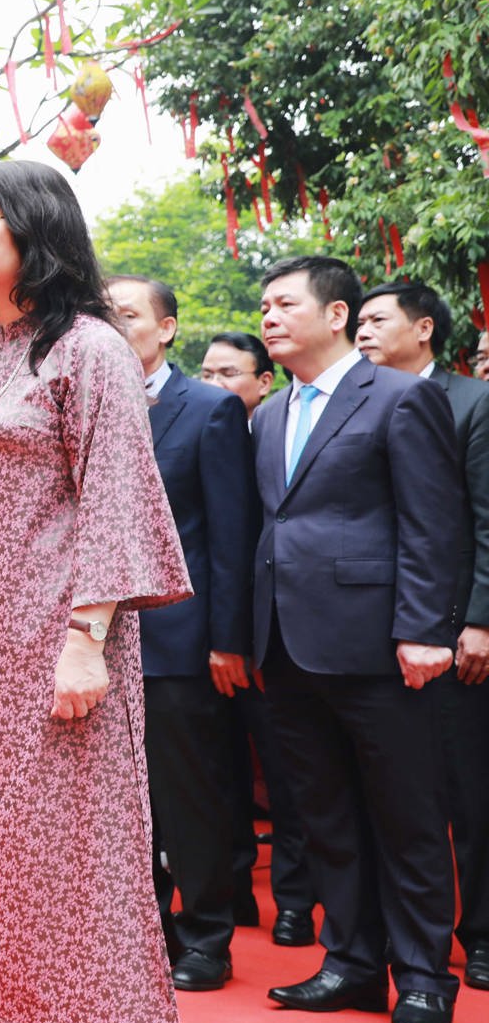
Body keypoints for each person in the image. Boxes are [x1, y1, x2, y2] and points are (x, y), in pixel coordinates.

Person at [0, 161, 192, 1023]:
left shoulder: (89, 350)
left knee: (74, 868)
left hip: (63, 638)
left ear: (37, 228)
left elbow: (114, 493)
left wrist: (86, 639)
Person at [253, 257, 463, 1023]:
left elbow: (432, 522)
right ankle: (351, 959)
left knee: (405, 813)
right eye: (263, 306)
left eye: (283, 304)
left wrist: (423, 630)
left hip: (379, 643)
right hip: (286, 642)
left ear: (335, 314)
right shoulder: (271, 413)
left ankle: (421, 976)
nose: (267, 317)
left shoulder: (403, 397)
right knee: (326, 811)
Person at [107, 275, 260, 993]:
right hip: (95, 640)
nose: (114, 322)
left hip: (177, 637)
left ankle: (206, 934)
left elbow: (230, 536)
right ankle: (145, 932)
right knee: (116, 802)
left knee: (187, 794)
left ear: (166, 327)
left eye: (128, 312)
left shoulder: (210, 411)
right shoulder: (83, 403)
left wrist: (226, 638)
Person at [355, 280, 489, 993]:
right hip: (382, 637)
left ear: (425, 328)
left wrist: (479, 618)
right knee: (404, 794)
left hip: (457, 632)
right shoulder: (358, 401)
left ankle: (483, 933)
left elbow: (479, 521)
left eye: (378, 320)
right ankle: (390, 938)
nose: (365, 332)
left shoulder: (473, 401)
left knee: (468, 793)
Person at [197, 326, 317, 943]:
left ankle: (295, 899)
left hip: (278, 634)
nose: (214, 384)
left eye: (228, 375)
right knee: (219, 772)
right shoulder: (199, 429)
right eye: (207, 373)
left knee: (286, 772)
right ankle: (235, 889)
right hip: (213, 639)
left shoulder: (279, 430)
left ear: (262, 381)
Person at [199, 331, 277, 418]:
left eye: (229, 374)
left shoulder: (283, 429)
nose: (213, 384)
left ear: (264, 383)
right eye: (207, 375)